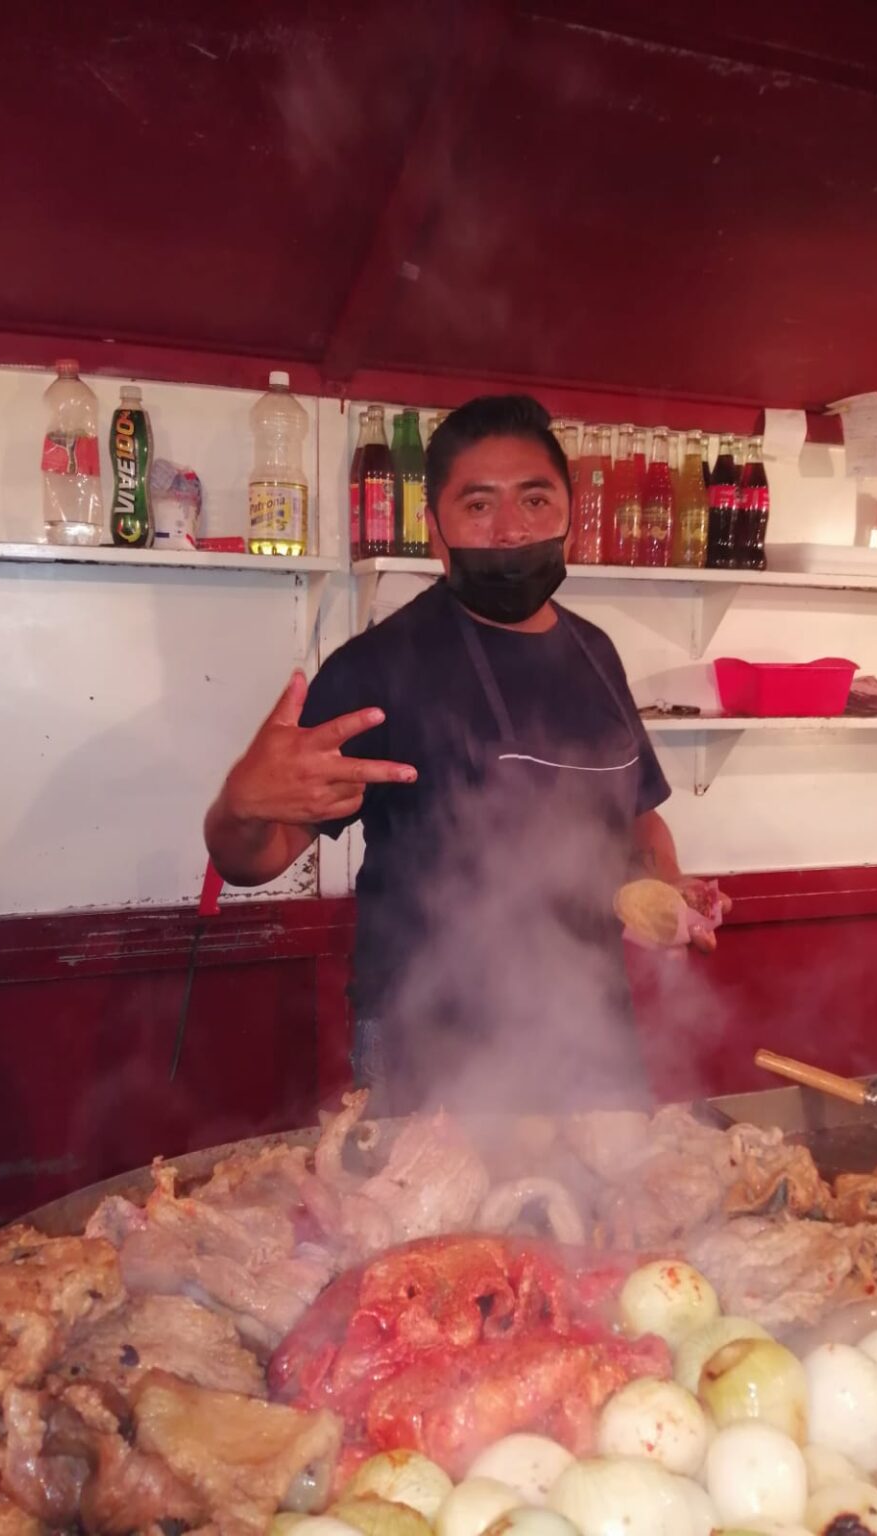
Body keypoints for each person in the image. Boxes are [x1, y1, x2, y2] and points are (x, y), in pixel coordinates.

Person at [205, 395, 725, 1112]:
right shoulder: (377, 669)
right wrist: (238, 805)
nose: (511, 529)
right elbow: (254, 859)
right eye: (478, 505)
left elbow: (638, 818)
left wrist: (667, 888)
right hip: (428, 1042)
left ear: (570, 515)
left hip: (590, 1027)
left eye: (535, 500)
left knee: (613, 1187)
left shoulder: (595, 653)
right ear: (436, 530)